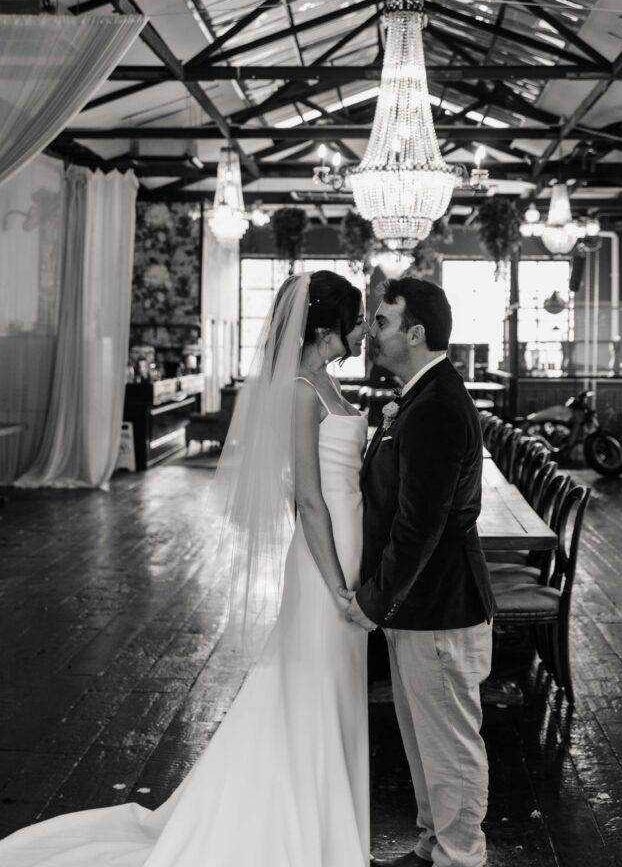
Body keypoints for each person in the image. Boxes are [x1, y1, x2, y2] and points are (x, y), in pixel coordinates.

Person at [0, 270, 372, 867]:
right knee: (314, 681)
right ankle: (300, 829)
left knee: (333, 684)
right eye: (357, 319)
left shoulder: (327, 382)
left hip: (349, 546)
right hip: (327, 560)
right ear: (329, 329)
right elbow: (306, 498)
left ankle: (330, 822)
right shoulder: (301, 391)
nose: (364, 329)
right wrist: (336, 585)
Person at [343, 277, 495, 867]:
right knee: (424, 741)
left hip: (440, 605)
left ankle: (461, 857)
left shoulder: (435, 407)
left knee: (449, 745)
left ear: (415, 333)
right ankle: (434, 846)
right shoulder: (420, 396)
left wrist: (373, 601)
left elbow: (418, 527)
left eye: (382, 322)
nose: (371, 333)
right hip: (421, 606)